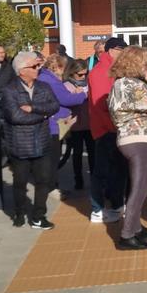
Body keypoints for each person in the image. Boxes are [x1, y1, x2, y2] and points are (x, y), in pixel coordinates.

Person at [107, 47, 147, 250]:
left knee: (138, 187)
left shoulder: (128, 83)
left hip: (141, 138)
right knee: (139, 190)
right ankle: (126, 235)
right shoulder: (127, 84)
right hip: (138, 139)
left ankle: (136, 229)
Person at [0, 52, 60, 230]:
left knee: (43, 180)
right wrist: (43, 115)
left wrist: (34, 108)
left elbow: (54, 105)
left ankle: (38, 215)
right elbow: (15, 116)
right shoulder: (9, 90)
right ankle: (19, 211)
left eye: (38, 66)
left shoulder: (44, 87)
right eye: (34, 67)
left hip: (42, 142)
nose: (37, 69)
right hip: (20, 144)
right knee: (20, 182)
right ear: (21, 71)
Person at [88, 37, 128, 223]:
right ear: (112, 50)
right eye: (122, 50)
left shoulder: (114, 70)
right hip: (106, 129)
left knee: (118, 170)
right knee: (103, 170)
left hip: (116, 127)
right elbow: (104, 103)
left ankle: (117, 204)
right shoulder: (100, 71)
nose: (124, 54)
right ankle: (97, 209)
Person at [38, 54, 87, 198]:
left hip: (55, 122)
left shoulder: (48, 78)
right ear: (58, 67)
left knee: (54, 156)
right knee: (52, 158)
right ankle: (51, 187)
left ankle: (53, 185)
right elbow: (65, 98)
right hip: (53, 123)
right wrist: (84, 94)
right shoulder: (50, 80)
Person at [60, 59, 93, 191]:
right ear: (72, 73)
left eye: (85, 74)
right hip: (75, 124)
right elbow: (66, 101)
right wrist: (76, 95)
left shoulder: (89, 83)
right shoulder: (67, 85)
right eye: (80, 75)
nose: (83, 77)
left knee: (93, 153)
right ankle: (78, 179)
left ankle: (94, 179)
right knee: (77, 153)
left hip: (89, 123)